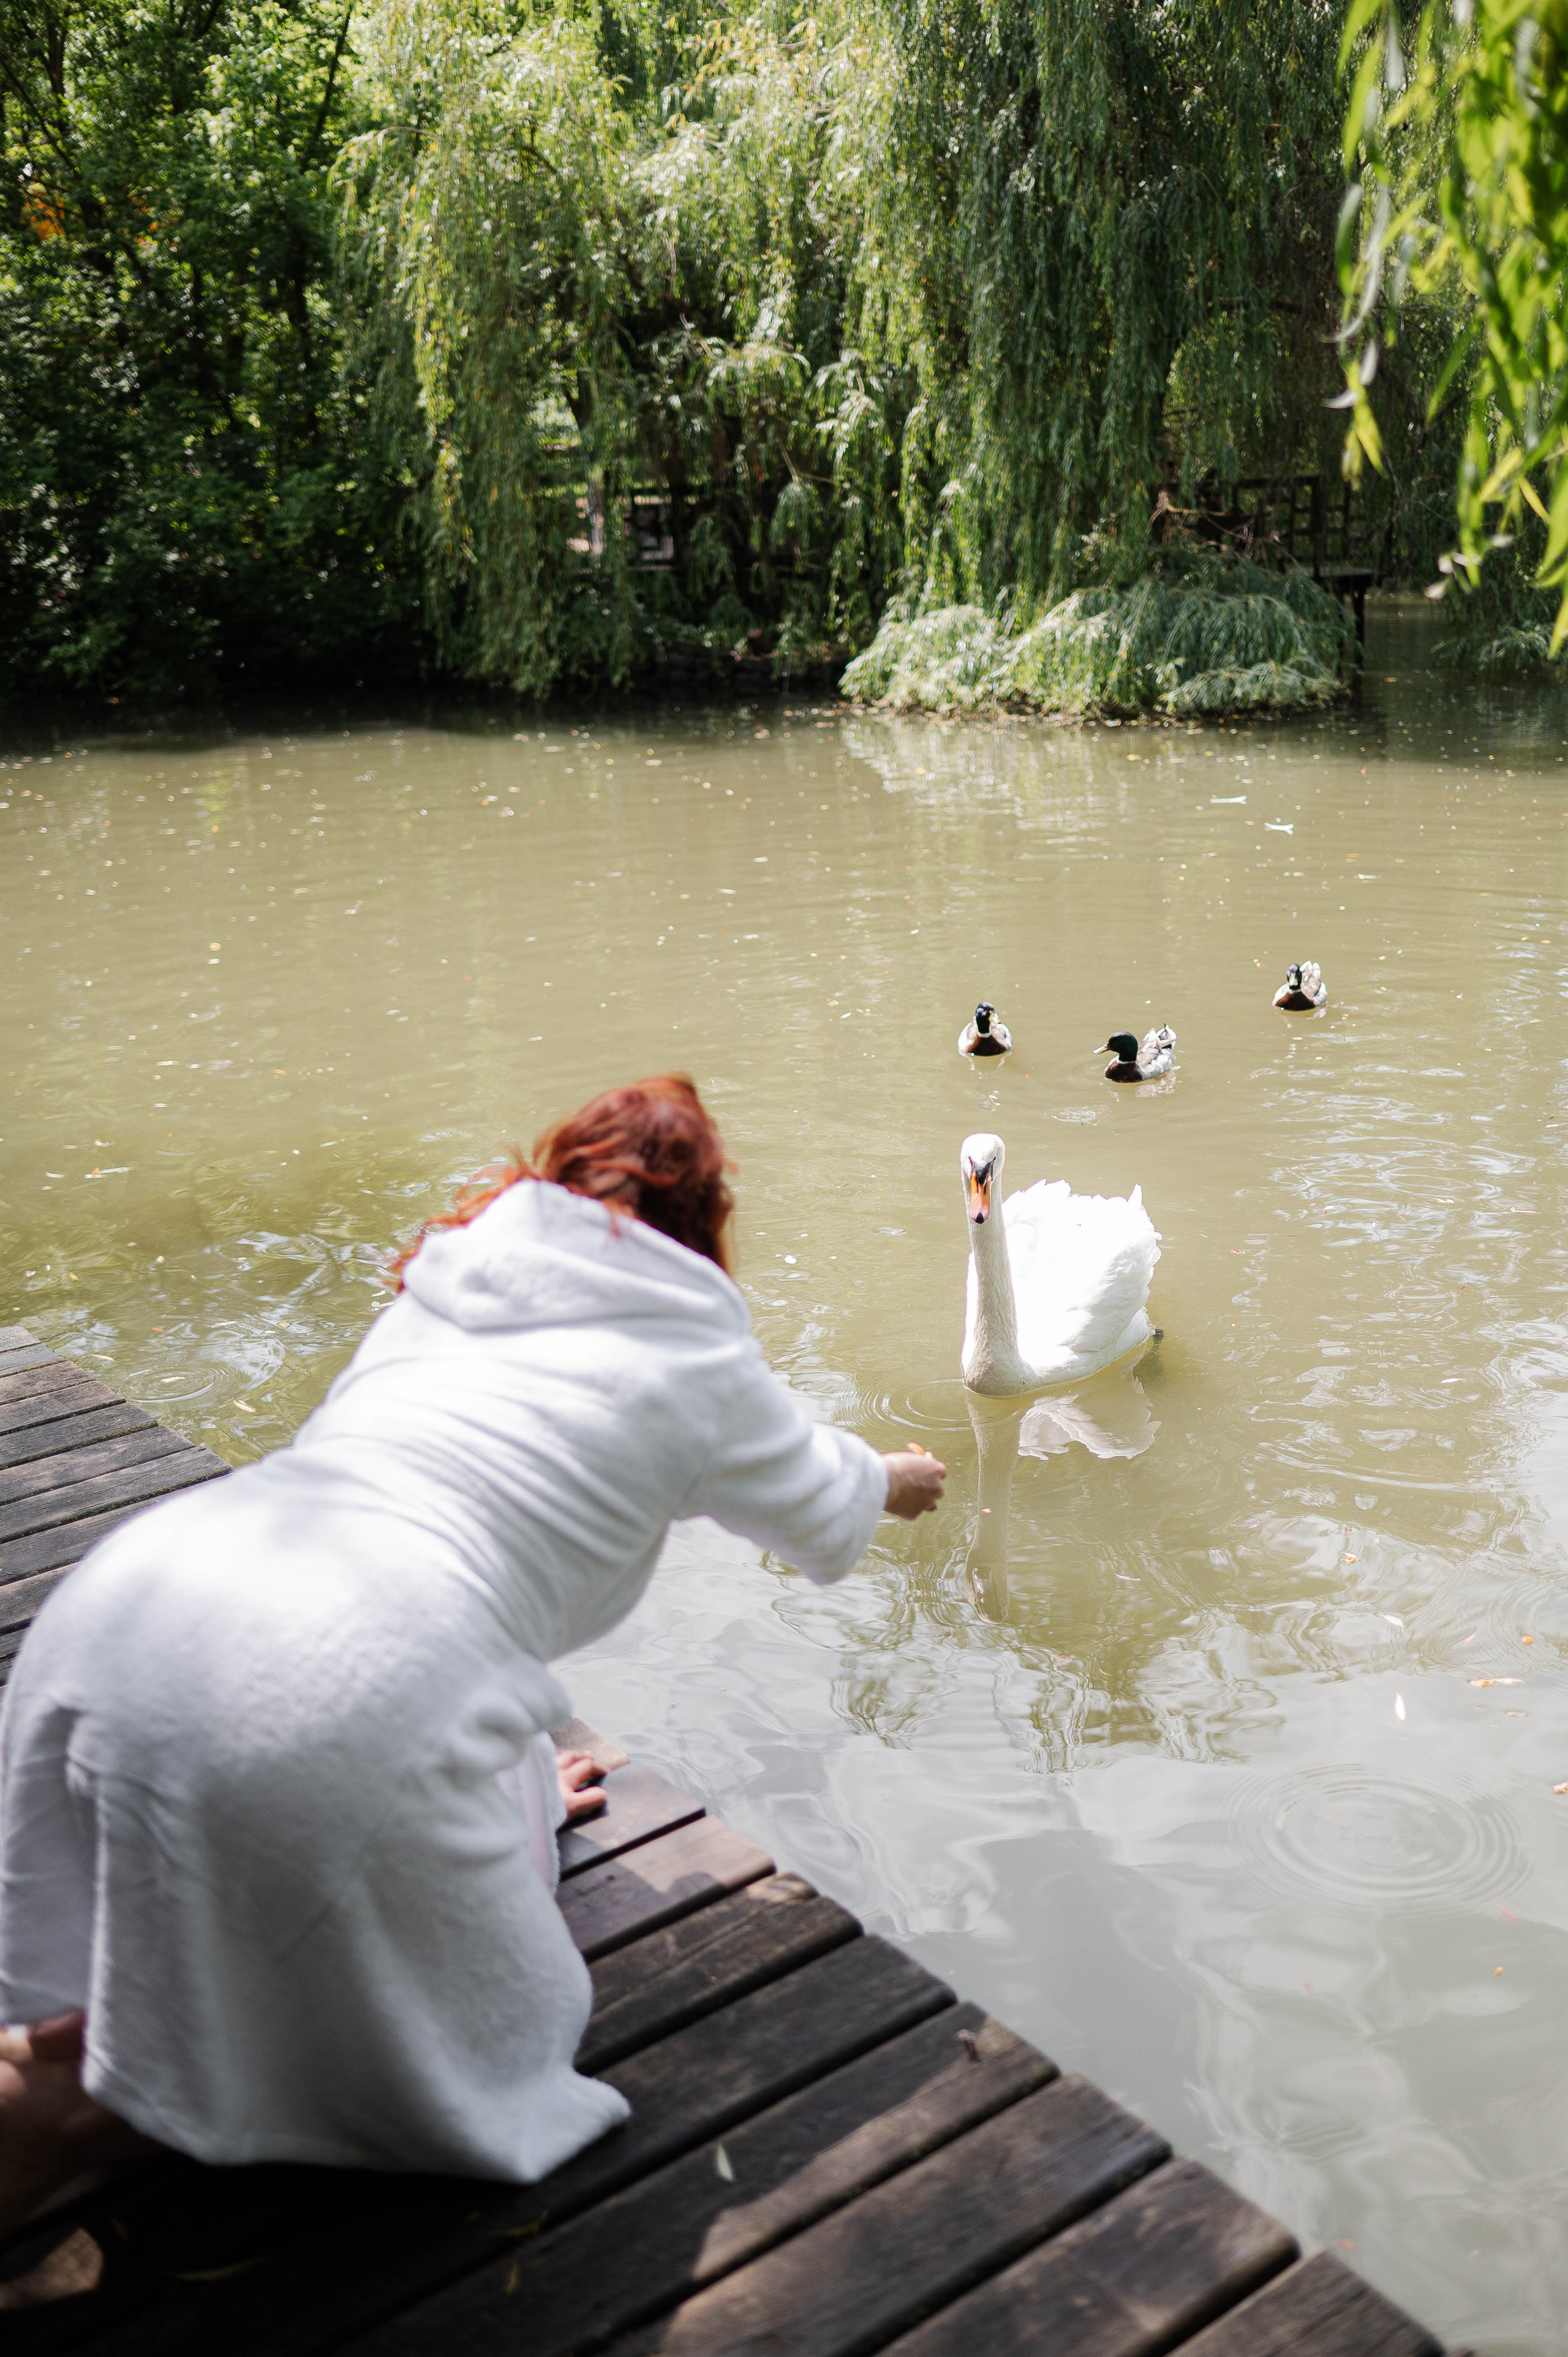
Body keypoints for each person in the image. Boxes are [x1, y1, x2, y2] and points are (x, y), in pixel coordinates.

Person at [0, 1076, 945, 2226]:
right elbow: (821, 1499)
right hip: (350, 1681)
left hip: (127, 1603)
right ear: (707, 1220)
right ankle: (89, 2113)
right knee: (487, 2038)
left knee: (276, 1824)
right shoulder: (695, 1355)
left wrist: (509, 1788)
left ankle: (67, 2052)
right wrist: (900, 1479)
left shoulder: (446, 1291)